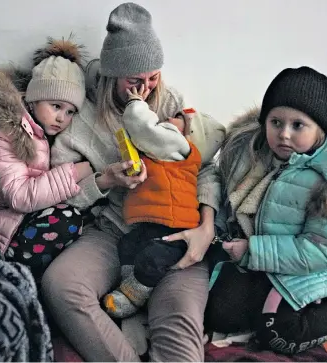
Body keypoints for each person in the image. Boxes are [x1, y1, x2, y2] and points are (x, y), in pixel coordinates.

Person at [42, 3, 226, 361]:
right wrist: (105, 180)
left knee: (181, 316)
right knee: (60, 285)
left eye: (153, 77)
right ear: (112, 76)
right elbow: (63, 197)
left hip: (175, 229)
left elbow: (204, 167)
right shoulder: (81, 125)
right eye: (134, 81)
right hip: (112, 231)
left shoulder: (172, 104)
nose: (146, 87)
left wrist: (206, 228)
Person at [205, 66, 327, 354]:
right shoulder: (255, 152)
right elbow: (219, 181)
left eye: (298, 125)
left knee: (280, 336)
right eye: (276, 122)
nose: (284, 134)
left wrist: (252, 251)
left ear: (320, 129)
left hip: (316, 265)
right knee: (217, 312)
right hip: (272, 262)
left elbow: (322, 251)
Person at [0, 38, 92, 279]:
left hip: (14, 218)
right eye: (56, 106)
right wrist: (75, 172)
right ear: (33, 98)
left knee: (78, 216)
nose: (62, 118)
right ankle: (8, 270)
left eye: (70, 112)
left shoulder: (43, 131)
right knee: (66, 220)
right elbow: (19, 197)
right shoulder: (4, 131)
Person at [102, 85, 207, 318]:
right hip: (153, 224)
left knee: (153, 257)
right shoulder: (163, 154)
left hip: (177, 228)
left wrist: (136, 103)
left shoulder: (182, 147)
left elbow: (144, 129)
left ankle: (133, 295)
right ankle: (133, 282)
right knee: (128, 244)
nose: (170, 118)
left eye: (179, 119)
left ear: (191, 133)